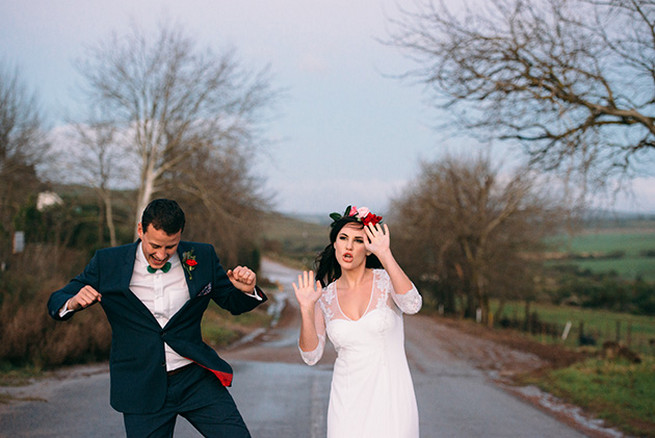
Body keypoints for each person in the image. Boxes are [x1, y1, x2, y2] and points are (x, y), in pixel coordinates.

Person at [47, 198, 267, 437]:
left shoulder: (202, 256)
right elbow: (58, 299)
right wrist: (73, 301)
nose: (161, 255)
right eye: (155, 245)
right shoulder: (107, 262)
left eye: (170, 247)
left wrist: (246, 289)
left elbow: (231, 302)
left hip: (194, 379)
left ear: (180, 235)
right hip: (142, 384)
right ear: (140, 230)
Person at [292, 205, 422, 438]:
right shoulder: (325, 296)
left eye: (358, 240)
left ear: (368, 248)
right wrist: (306, 309)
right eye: (343, 238)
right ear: (335, 244)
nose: (349, 246)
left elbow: (413, 304)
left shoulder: (387, 281)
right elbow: (311, 356)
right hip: (347, 405)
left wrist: (385, 253)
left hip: (392, 401)